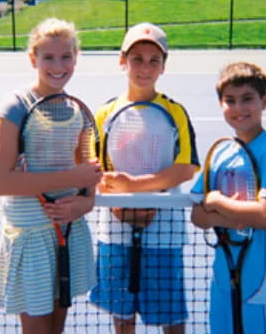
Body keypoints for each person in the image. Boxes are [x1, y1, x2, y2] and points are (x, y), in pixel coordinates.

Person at [0, 17, 102, 334]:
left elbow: (90, 174)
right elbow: (1, 182)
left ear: (76, 58)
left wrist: (85, 204)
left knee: (57, 328)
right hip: (30, 237)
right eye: (48, 57)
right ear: (32, 59)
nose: (58, 65)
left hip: (67, 232)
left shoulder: (76, 110)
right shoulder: (15, 106)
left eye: (66, 56)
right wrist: (73, 175)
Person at [89, 22, 200, 334]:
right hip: (114, 232)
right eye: (137, 58)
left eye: (154, 60)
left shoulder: (175, 112)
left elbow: (186, 167)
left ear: (163, 67)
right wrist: (118, 206)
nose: (145, 67)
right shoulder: (104, 112)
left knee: (170, 319)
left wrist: (136, 190)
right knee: (122, 319)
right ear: (122, 61)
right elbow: (96, 170)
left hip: (164, 232)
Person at [190, 62, 266, 334]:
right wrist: (233, 213)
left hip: (264, 285)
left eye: (247, 99)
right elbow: (198, 216)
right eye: (230, 101)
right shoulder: (220, 154)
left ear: (265, 101)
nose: (238, 108)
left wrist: (217, 202)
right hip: (224, 281)